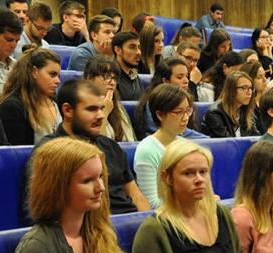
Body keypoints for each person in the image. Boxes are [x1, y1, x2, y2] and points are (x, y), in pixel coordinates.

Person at [130, 140, 265, 253]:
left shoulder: (221, 214)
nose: (199, 179)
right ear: (167, 178)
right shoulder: (154, 229)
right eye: (188, 173)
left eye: (203, 172)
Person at [40, 79, 147, 214]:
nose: (101, 116)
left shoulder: (110, 146)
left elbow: (136, 195)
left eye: (102, 108)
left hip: (127, 223)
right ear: (67, 110)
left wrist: (144, 222)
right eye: (92, 109)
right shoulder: (51, 151)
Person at [134, 84, 195, 208]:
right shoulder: (147, 150)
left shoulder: (185, 145)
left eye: (188, 110)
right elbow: (151, 204)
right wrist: (193, 203)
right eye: (178, 112)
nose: (185, 118)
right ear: (160, 115)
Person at [0, 47, 61, 145]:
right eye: (52, 75)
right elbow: (16, 155)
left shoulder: (57, 102)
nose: (58, 81)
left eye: (58, 76)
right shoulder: (11, 107)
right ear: (34, 72)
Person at [82, 56, 135, 142]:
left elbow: (130, 141)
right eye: (106, 76)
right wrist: (105, 112)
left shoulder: (118, 107)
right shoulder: (81, 108)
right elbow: (95, 145)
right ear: (90, 79)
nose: (112, 82)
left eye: (114, 78)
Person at [203, 70, 260, 138]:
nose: (249, 92)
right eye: (244, 88)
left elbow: (256, 138)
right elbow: (229, 143)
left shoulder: (244, 111)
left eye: (250, 88)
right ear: (231, 90)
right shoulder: (214, 113)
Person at [112, 31, 144, 101]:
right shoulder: (111, 77)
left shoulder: (134, 75)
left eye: (139, 47)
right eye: (132, 47)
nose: (139, 52)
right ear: (118, 50)